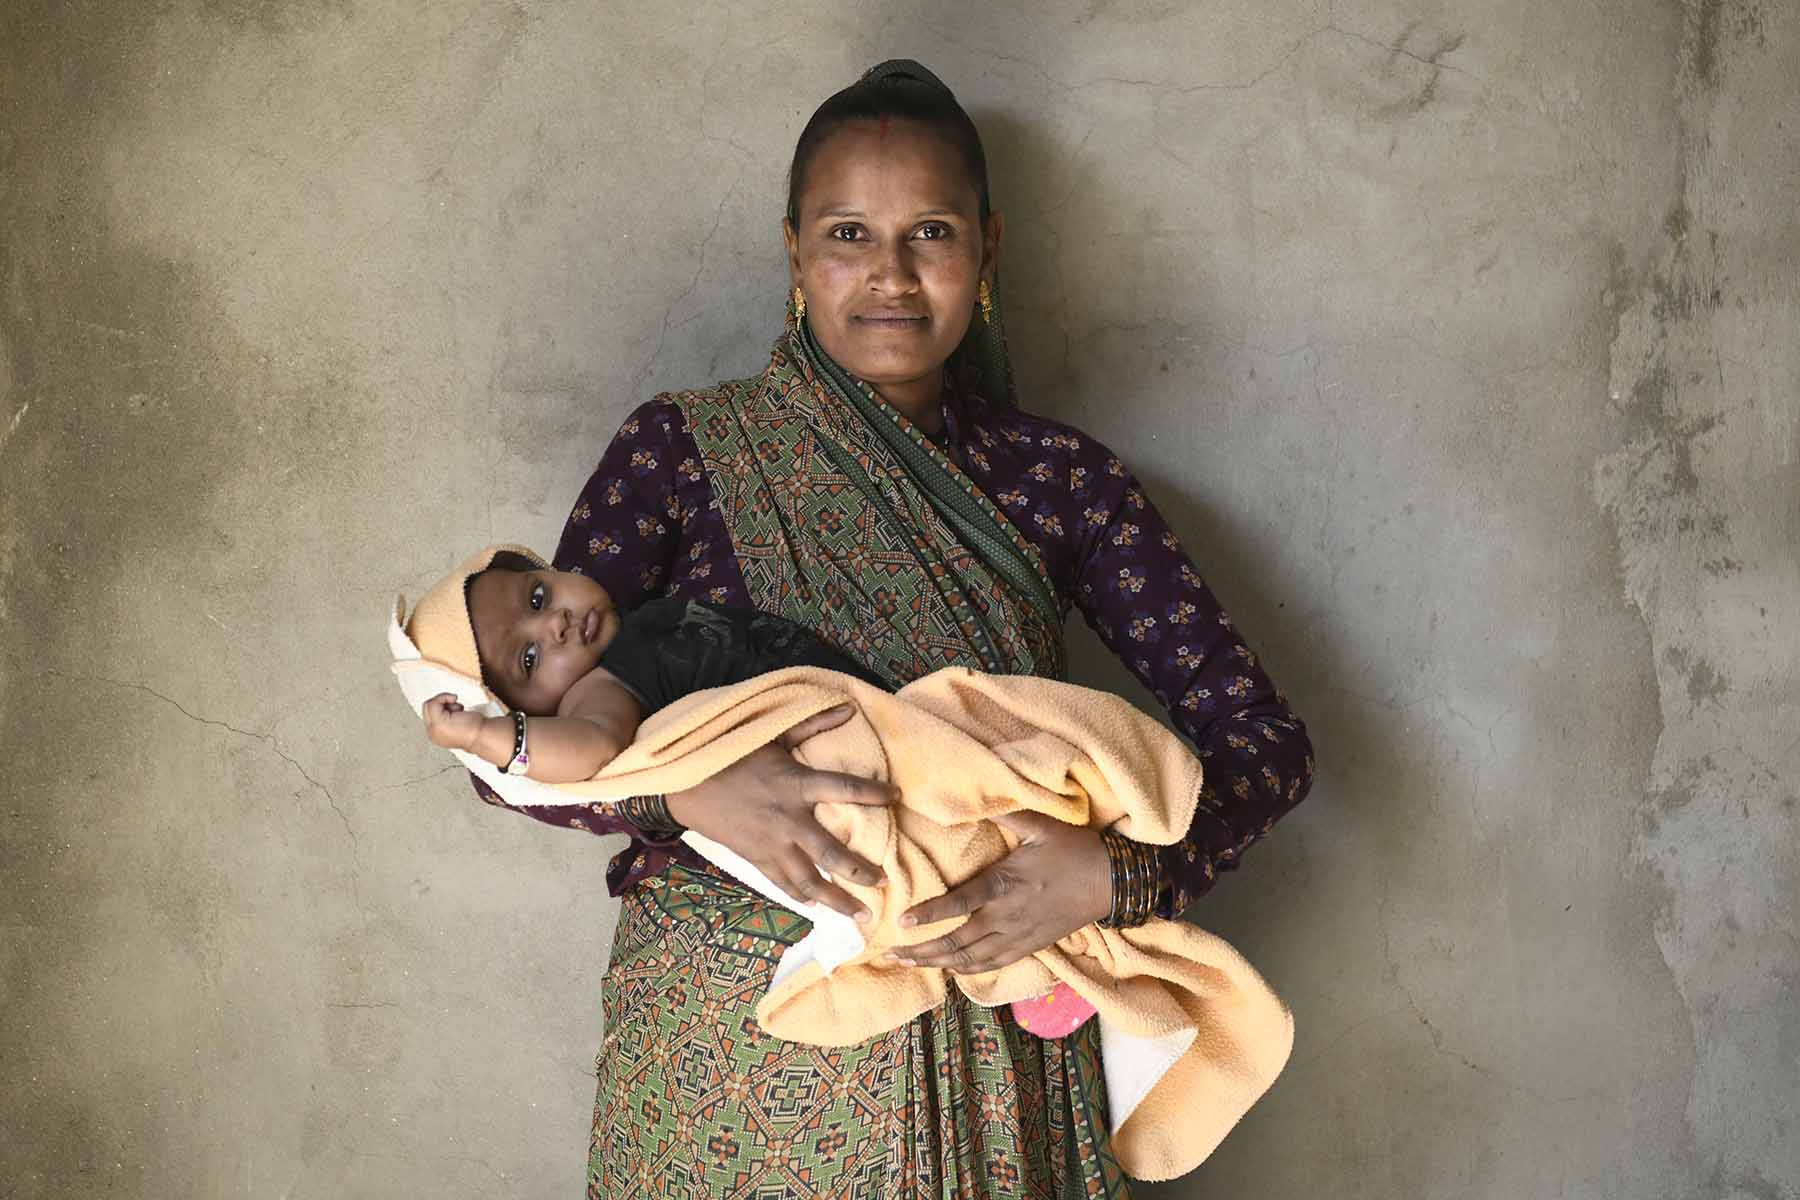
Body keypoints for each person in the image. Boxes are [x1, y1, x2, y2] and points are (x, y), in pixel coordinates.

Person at [476, 59, 1314, 1196]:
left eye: (929, 231)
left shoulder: (1058, 482)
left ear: (988, 246)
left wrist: (1112, 879)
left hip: (995, 1032)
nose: (892, 277)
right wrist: (683, 791)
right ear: (792, 251)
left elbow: (1262, 738)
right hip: (729, 1046)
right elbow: (502, 739)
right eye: (847, 235)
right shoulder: (680, 451)